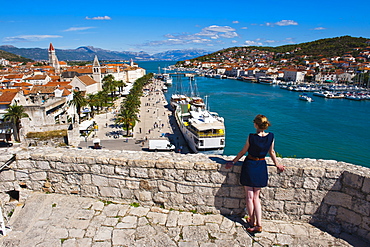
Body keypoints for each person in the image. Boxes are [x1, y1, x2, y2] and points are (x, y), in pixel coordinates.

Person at [225, 114, 285, 233]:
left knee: (249, 196)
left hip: (250, 165)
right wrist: (277, 164)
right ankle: (259, 224)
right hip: (261, 166)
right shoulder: (271, 136)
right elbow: (272, 152)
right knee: (256, 198)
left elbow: (243, 151)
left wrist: (233, 162)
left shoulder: (251, 137)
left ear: (256, 124)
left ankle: (251, 221)